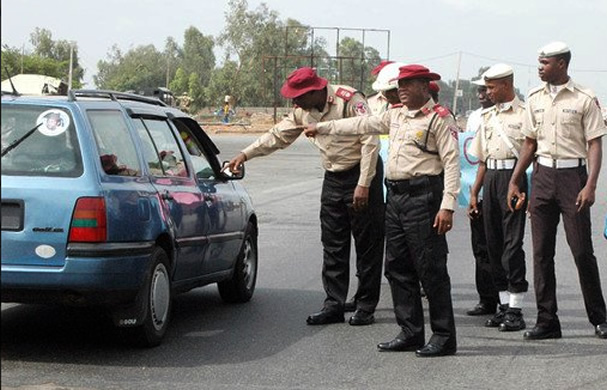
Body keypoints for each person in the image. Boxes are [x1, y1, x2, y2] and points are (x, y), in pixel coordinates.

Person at [305, 64, 460, 357]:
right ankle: (411, 332)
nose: (400, 89)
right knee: (397, 268)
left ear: (425, 86)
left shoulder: (439, 118)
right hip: (397, 197)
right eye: (399, 84)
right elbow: (360, 125)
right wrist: (323, 127)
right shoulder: (396, 113)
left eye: (408, 84)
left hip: (424, 197)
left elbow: (451, 164)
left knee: (430, 269)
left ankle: (443, 336)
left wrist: (447, 206)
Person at [226, 67, 385, 327]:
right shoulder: (303, 111)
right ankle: (333, 304)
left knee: (367, 244)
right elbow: (277, 135)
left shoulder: (349, 99)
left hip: (362, 174)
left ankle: (365, 305)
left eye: (298, 96)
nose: (294, 102)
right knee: (333, 245)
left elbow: (370, 140)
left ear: (314, 91)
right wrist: (245, 154)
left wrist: (364, 184)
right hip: (333, 177)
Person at [508, 41, 607, 340]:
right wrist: (515, 179)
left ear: (561, 64)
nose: (539, 67)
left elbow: (594, 143)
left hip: (572, 178)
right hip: (541, 177)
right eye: (539, 62)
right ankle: (547, 320)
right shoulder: (535, 99)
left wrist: (590, 184)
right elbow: (528, 143)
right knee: (541, 254)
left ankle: (600, 318)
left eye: (545, 63)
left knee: (581, 251)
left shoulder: (584, 98)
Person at [468, 64, 529, 332]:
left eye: (491, 87)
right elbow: (482, 160)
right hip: (491, 179)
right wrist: (474, 192)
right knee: (493, 245)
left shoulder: (525, 114)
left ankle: (516, 309)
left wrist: (527, 189)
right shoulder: (487, 116)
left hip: (514, 180)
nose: (488, 92)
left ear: (506, 84)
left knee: (512, 246)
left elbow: (532, 154)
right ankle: (504, 306)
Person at [344, 61, 405, 312]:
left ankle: (402, 287)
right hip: (373, 177)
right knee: (368, 237)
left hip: (400, 178)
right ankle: (363, 294)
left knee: (397, 243)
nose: (387, 96)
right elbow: (360, 129)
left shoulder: (417, 110)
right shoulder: (370, 103)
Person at [465, 76, 499, 317]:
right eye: (478, 90)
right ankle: (486, 299)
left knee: (502, 246)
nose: (481, 95)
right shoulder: (474, 117)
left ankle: (506, 300)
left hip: (502, 188)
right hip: (477, 189)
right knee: (481, 247)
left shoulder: (514, 115)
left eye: (485, 89)